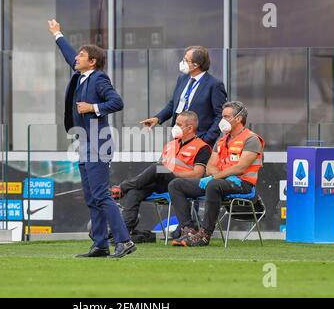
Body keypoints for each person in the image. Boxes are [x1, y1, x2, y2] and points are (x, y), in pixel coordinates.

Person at [48, 19, 135, 258]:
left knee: (101, 195)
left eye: (81, 55)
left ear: (92, 62)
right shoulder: (80, 76)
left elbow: (117, 102)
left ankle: (124, 241)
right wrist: (58, 34)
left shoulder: (98, 78)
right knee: (91, 197)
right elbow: (68, 56)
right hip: (85, 142)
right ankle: (99, 245)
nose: (76, 58)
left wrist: (92, 107)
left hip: (99, 142)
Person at [168, 101, 265, 247]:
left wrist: (215, 177)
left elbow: (241, 168)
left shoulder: (251, 139)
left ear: (238, 119)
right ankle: (188, 229)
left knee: (213, 185)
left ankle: (205, 234)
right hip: (220, 181)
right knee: (176, 184)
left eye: (226, 116)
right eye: (222, 116)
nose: (222, 120)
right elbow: (210, 167)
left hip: (242, 184)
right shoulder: (221, 141)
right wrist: (217, 176)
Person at [112, 111, 211, 237]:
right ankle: (124, 232)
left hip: (181, 184)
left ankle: (123, 187)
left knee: (158, 168)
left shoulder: (202, 147)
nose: (175, 127)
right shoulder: (170, 145)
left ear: (190, 128)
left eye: (179, 124)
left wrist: (173, 173)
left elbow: (198, 174)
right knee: (135, 191)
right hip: (162, 183)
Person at [140, 46, 227, 147]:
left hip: (199, 140)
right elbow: (174, 104)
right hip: (178, 138)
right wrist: (157, 119)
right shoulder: (182, 79)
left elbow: (220, 115)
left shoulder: (214, 84)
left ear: (195, 65)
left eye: (186, 60)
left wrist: (207, 139)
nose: (182, 62)